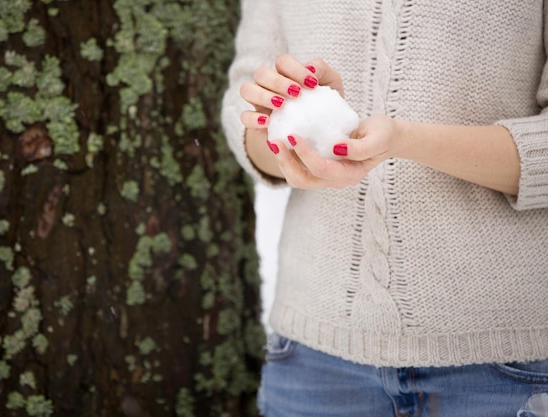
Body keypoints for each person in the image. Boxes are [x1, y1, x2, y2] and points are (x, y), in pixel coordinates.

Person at [220, 1, 548, 416]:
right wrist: (289, 135)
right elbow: (245, 105)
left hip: (503, 365)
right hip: (314, 362)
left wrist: (405, 140)